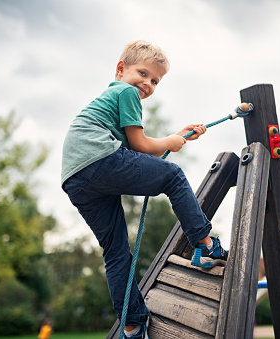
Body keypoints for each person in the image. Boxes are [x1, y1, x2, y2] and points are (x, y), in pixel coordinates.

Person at [61, 40, 228, 339]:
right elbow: (140, 146)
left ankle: (133, 325)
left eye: (155, 81)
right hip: (98, 160)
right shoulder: (125, 91)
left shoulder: (111, 99)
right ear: (120, 69)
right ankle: (203, 245)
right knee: (174, 177)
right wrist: (168, 143)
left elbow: (139, 147)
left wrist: (177, 137)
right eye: (143, 73)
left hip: (77, 178)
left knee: (115, 253)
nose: (148, 84)